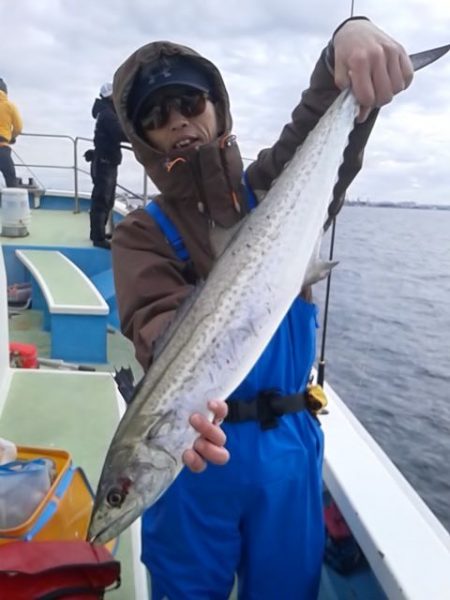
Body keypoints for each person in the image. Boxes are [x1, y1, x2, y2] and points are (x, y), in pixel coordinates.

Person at [111, 17, 413, 599]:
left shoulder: (271, 186)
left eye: (190, 101)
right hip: (198, 453)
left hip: (289, 447)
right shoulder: (140, 235)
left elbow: (318, 124)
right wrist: (178, 417)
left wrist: (345, 44)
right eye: (155, 115)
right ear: (142, 139)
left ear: (218, 109)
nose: (177, 121)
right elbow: (155, 326)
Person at [88, 82, 127, 249]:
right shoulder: (107, 114)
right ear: (111, 96)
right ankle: (98, 237)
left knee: (107, 199)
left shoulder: (105, 112)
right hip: (105, 162)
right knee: (102, 200)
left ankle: (99, 233)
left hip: (105, 160)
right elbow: (119, 133)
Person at [0, 78, 23, 187]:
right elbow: (18, 128)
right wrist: (11, 137)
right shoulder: (10, 106)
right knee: (11, 179)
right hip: (3, 149)